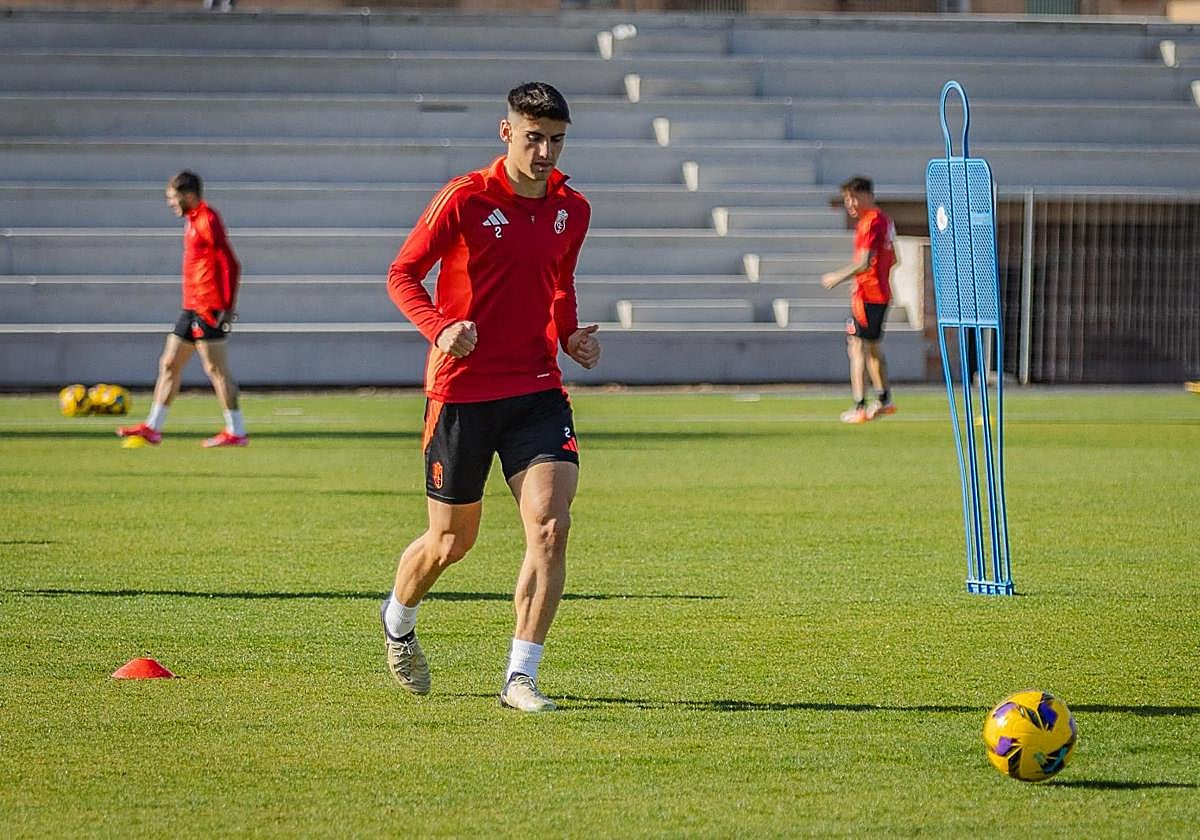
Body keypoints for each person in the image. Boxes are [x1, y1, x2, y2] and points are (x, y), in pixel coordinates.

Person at [381, 82, 600, 713]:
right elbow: (402, 273)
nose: (545, 153)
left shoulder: (573, 208)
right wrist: (440, 328)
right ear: (506, 132)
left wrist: (568, 337)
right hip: (462, 392)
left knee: (551, 527)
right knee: (451, 543)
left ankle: (520, 676)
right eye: (534, 138)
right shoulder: (464, 198)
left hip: (536, 391)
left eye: (556, 140)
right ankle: (398, 618)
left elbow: (560, 282)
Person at [117, 171, 247, 447]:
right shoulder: (192, 220)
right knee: (169, 363)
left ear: (188, 195)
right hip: (191, 306)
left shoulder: (207, 219)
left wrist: (226, 307)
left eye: (174, 198)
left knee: (216, 368)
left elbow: (231, 263)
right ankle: (153, 427)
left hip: (209, 307)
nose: (171, 204)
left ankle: (236, 431)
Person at [821, 175, 898, 424]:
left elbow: (864, 262)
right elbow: (894, 258)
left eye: (852, 198)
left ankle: (859, 406)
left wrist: (837, 277)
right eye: (847, 199)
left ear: (867, 195)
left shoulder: (870, 223)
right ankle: (885, 400)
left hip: (867, 295)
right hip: (881, 293)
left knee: (857, 348)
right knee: (873, 347)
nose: (850, 204)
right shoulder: (885, 220)